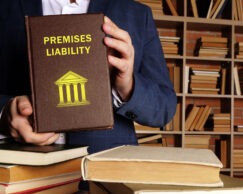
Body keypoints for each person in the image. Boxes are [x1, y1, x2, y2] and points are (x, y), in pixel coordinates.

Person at [0, 0, 177, 154]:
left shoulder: (136, 14)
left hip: (107, 176)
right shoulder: (5, 7)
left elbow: (164, 108)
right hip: (21, 177)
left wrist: (128, 87)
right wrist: (3, 114)